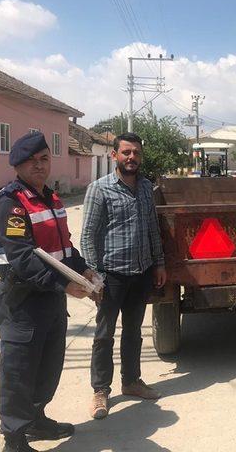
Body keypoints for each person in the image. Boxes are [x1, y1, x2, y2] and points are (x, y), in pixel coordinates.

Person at [0, 132, 98, 452]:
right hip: (21, 300)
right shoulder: (10, 203)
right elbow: (20, 258)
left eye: (44, 159)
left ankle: (36, 419)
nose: (39, 165)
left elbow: (62, 247)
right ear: (18, 164)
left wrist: (82, 269)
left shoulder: (49, 197)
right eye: (32, 161)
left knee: (48, 364)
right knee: (19, 370)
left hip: (48, 297)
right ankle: (14, 438)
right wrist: (64, 283)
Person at [81, 133, 166, 420]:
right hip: (111, 276)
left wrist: (159, 264)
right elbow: (88, 235)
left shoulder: (145, 188)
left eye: (137, 153)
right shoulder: (100, 189)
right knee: (104, 335)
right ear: (115, 155)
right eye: (127, 152)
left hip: (140, 273)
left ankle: (131, 382)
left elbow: (153, 229)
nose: (132, 158)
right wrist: (95, 277)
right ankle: (100, 391)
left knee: (133, 332)